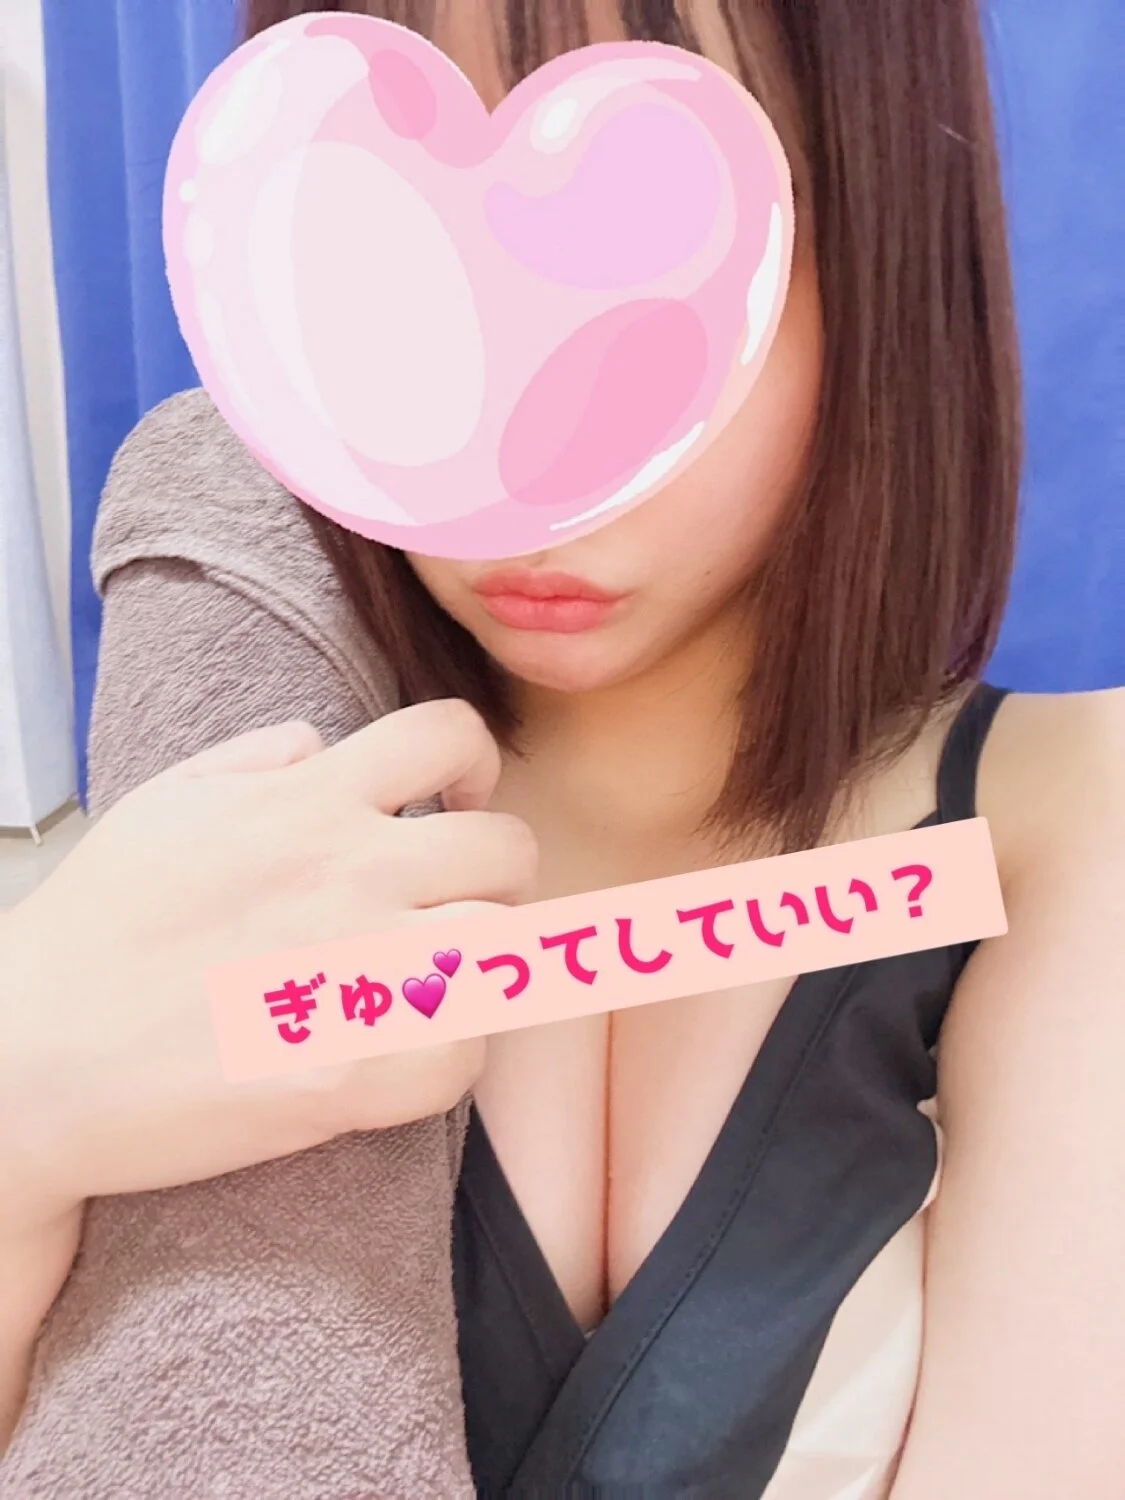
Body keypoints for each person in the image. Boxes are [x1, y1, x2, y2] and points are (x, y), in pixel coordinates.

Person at [3, 0, 1124, 1495]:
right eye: (406, 252)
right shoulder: (247, 723)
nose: (528, 439)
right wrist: (22, 1105)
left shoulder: (1071, 820)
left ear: (880, 236)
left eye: (647, 244)